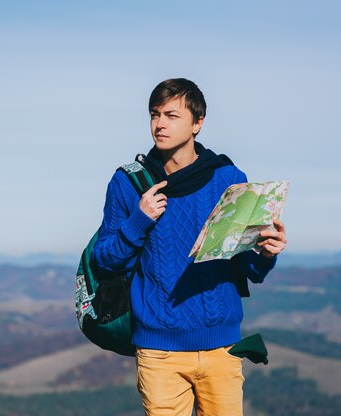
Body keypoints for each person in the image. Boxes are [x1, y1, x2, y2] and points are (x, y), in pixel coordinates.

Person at [91, 78, 287, 416]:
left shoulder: (228, 178)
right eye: (154, 115)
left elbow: (246, 267)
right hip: (159, 352)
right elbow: (104, 260)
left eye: (171, 115)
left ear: (198, 123)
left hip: (221, 347)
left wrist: (267, 254)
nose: (160, 124)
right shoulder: (130, 182)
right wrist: (139, 220)